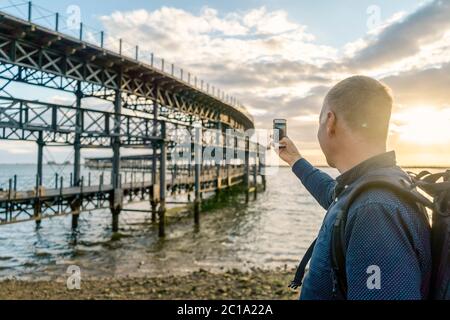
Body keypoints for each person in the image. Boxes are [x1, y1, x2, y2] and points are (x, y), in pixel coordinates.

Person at [276, 76, 431, 300]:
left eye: (319, 122)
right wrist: (294, 160)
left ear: (330, 122)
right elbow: (334, 196)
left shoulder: (375, 209)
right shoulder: (372, 186)